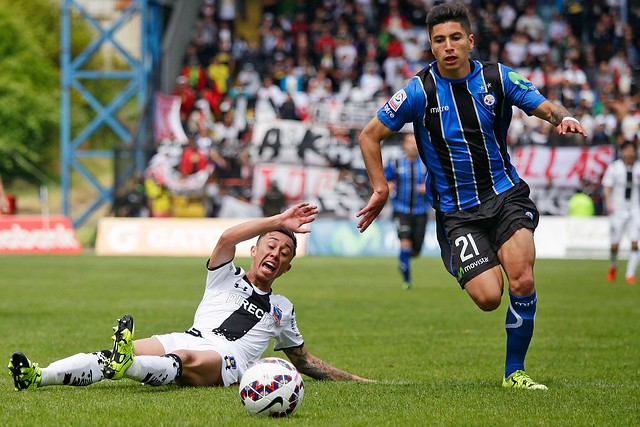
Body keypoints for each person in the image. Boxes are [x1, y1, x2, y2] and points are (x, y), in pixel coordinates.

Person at [357, 2, 587, 390]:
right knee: (488, 297)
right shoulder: (419, 91)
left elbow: (545, 106)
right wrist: (381, 188)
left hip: (505, 196)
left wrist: (562, 117)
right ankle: (486, 260)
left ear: (470, 40)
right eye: (439, 40)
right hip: (456, 212)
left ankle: (515, 373)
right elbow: (369, 135)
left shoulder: (497, 78)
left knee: (522, 279)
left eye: (455, 38)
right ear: (431, 47)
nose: (448, 46)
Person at [8, 202, 370, 391]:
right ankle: (39, 376)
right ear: (255, 252)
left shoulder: (283, 309)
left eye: (285, 254)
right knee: (116, 355)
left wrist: (353, 380)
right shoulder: (224, 275)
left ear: (287, 268)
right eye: (271, 246)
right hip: (188, 335)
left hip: (227, 360)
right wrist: (279, 219)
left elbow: (303, 360)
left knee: (182, 358)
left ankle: (126, 365)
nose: (276, 254)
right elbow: (227, 237)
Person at [384, 132, 430, 289]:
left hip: (421, 211)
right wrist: (388, 185)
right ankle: (407, 281)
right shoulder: (395, 164)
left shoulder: (427, 164)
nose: (413, 145)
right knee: (405, 244)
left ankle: (403, 261)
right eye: (409, 142)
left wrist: (428, 188)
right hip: (401, 211)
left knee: (415, 251)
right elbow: (384, 180)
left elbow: (438, 183)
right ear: (404, 145)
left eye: (415, 142)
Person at [601, 140, 640, 284]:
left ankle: (630, 274)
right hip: (618, 209)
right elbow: (606, 187)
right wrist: (609, 204)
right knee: (614, 245)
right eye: (627, 150)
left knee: (635, 243)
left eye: (632, 150)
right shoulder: (614, 168)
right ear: (622, 152)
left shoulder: (638, 168)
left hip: (635, 208)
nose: (630, 152)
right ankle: (613, 266)